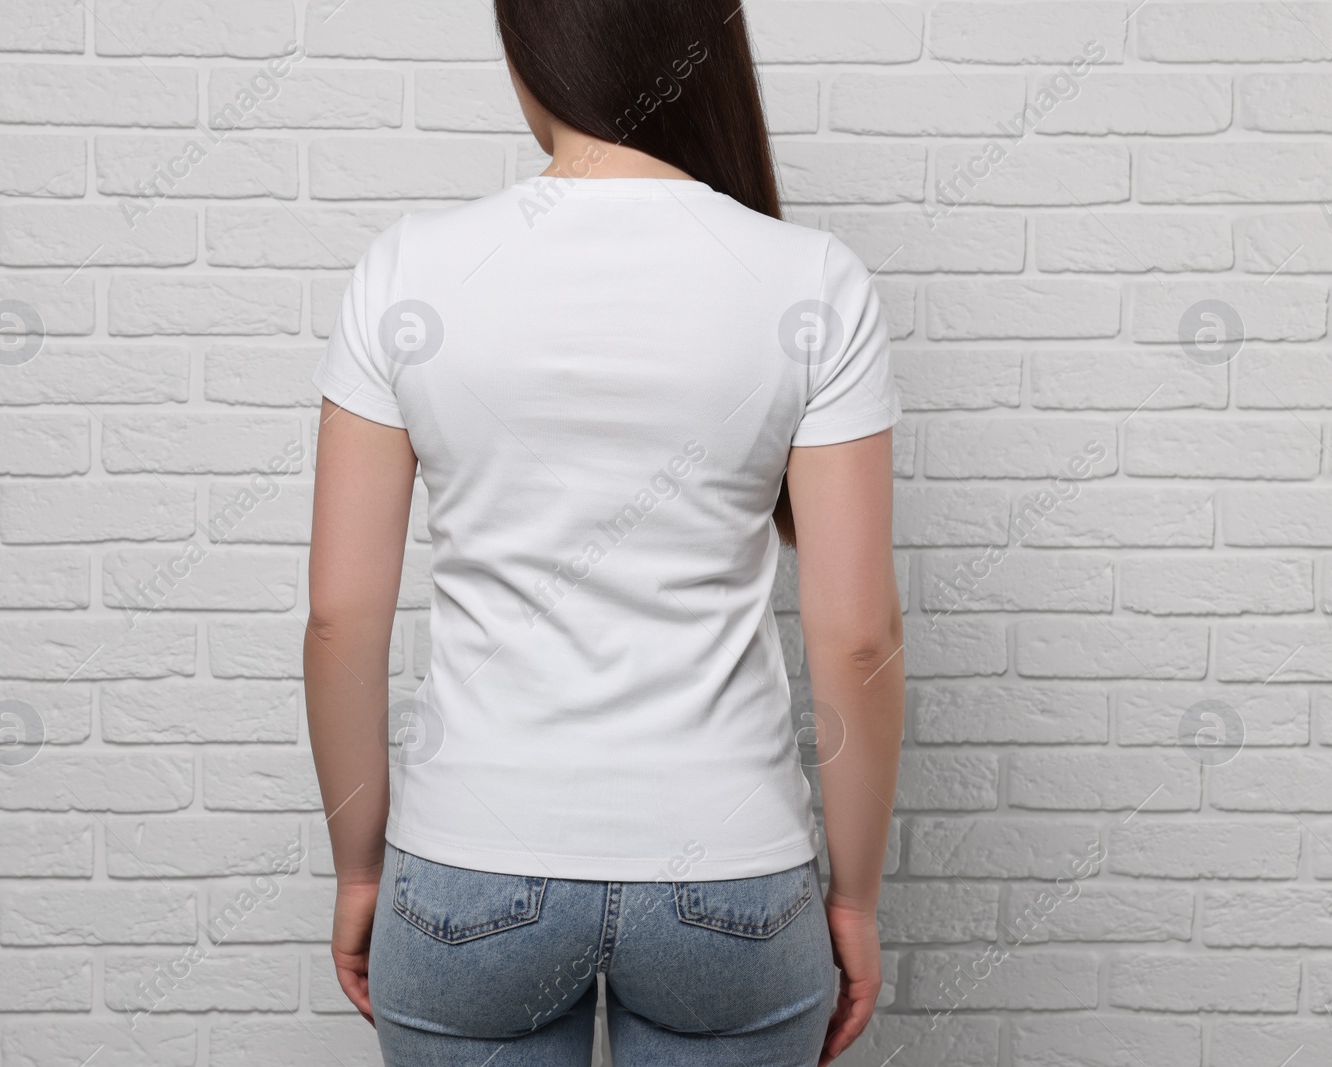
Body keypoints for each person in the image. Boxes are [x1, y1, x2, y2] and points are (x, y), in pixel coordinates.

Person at [303, 2, 905, 1063]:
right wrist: (851, 893)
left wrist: (360, 868)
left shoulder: (406, 272)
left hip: (466, 869)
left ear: (536, 51)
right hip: (729, 874)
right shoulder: (814, 283)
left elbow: (340, 619)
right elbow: (855, 636)